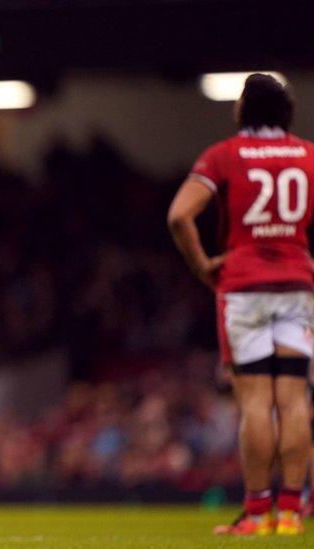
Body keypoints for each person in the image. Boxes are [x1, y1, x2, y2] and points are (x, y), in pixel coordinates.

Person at [168, 73, 313, 537]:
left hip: (245, 286)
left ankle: (255, 514)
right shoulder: (309, 155)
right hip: (296, 284)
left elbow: (179, 216)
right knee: (294, 402)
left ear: (242, 110)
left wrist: (202, 266)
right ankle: (291, 512)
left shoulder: (225, 155)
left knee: (255, 403)